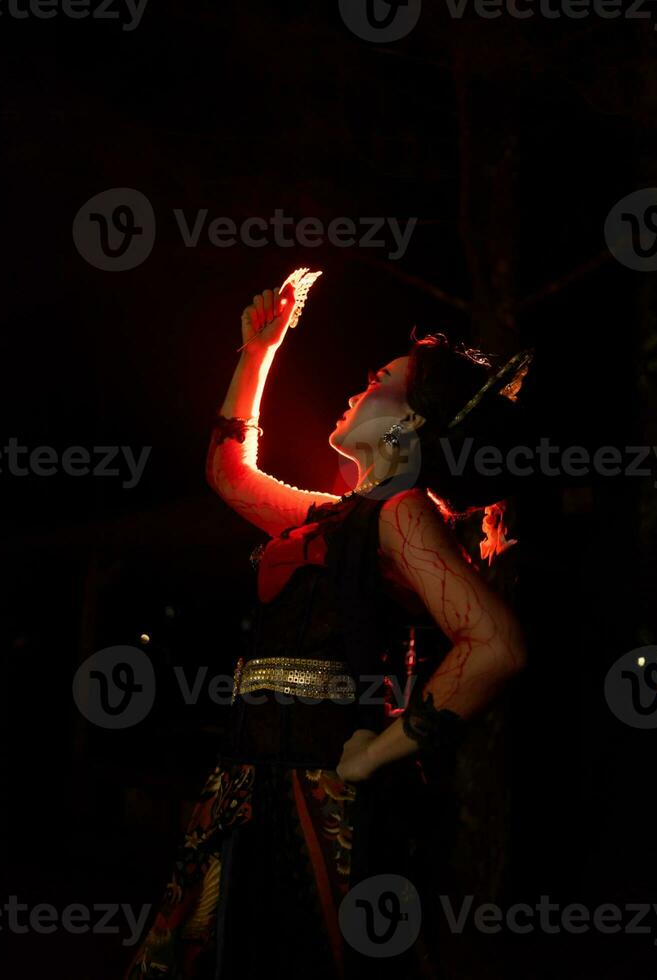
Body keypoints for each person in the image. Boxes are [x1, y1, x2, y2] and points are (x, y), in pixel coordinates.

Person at [126, 271, 529, 978]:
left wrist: (377, 754)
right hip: (252, 781)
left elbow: (495, 646)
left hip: (319, 796)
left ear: (410, 422)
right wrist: (258, 353)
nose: (355, 387)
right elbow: (230, 474)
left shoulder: (401, 513)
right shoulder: (339, 517)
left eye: (378, 378)